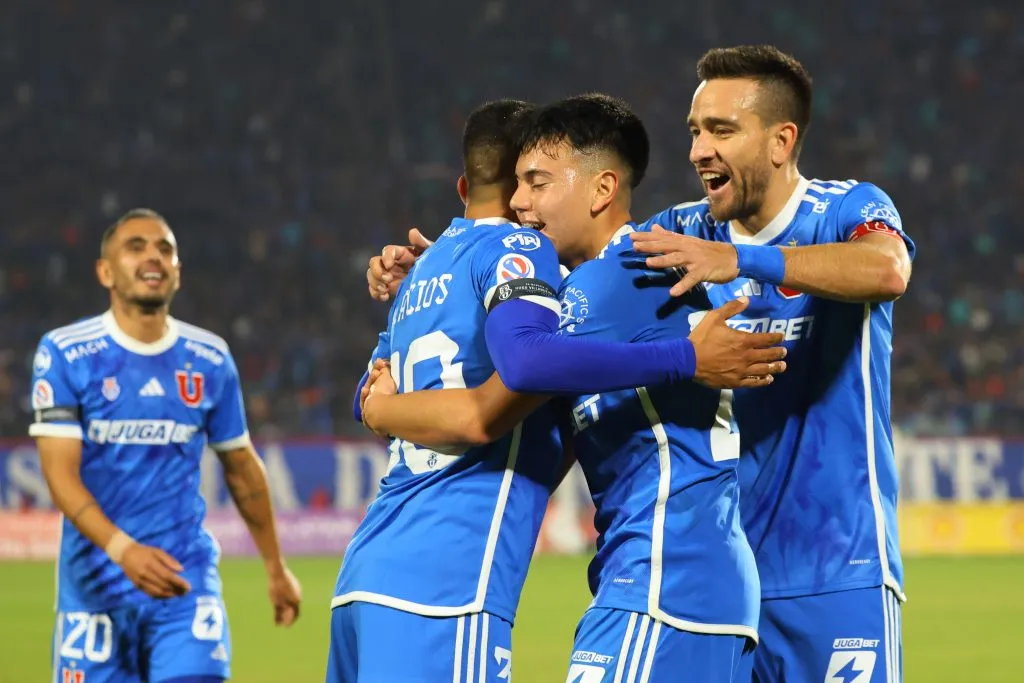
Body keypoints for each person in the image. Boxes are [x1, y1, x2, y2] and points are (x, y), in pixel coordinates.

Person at [333, 98, 785, 683]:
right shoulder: (600, 283)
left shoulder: (608, 280)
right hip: (661, 582)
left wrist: (383, 402)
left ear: (601, 189)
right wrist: (451, 273)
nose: (520, 203)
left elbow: (511, 379)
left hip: (668, 579)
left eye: (537, 183)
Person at [629, 45, 914, 683]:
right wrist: (460, 260)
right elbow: (581, 277)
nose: (700, 149)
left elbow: (888, 270)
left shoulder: (844, 209)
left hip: (838, 572)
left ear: (782, 140)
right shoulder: (679, 230)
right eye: (696, 132)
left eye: (722, 130)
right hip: (716, 588)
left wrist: (746, 261)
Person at [30, 208, 301, 683]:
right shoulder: (65, 353)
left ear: (177, 271)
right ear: (105, 271)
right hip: (94, 590)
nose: (153, 256)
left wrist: (276, 567)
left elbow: (240, 466)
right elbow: (60, 477)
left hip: (184, 584)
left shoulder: (209, 358)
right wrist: (122, 549)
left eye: (165, 248)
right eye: (135, 247)